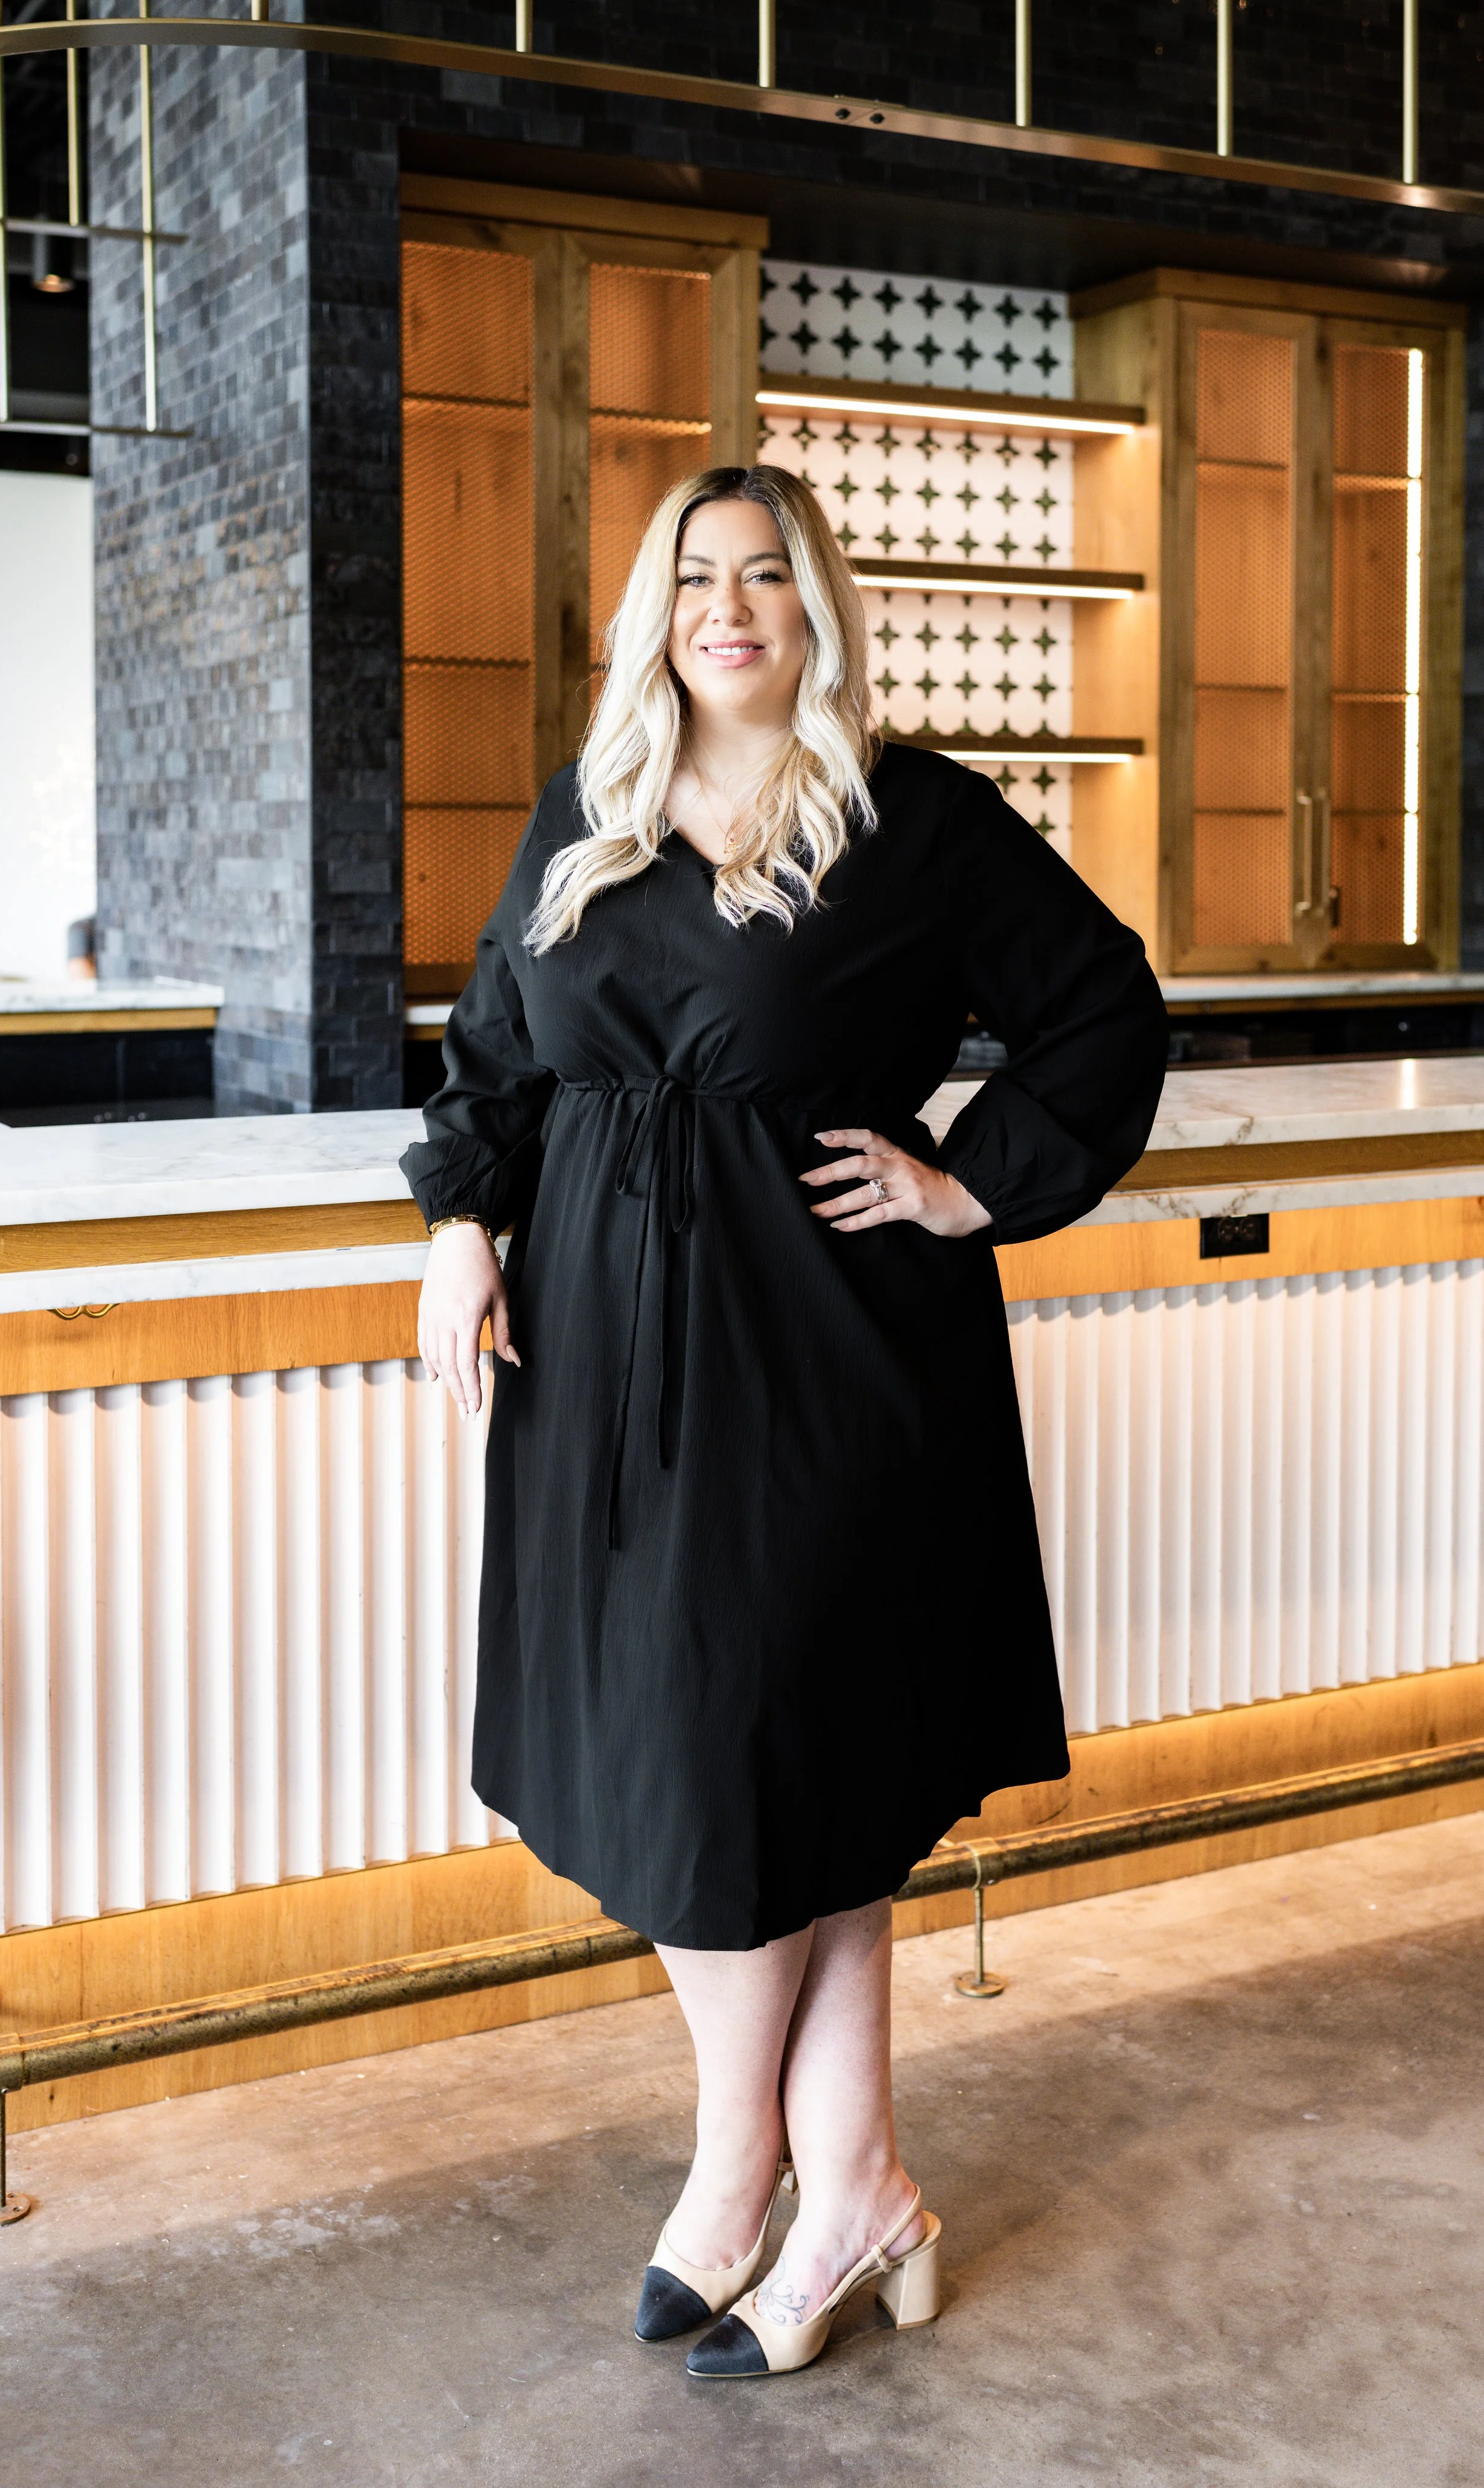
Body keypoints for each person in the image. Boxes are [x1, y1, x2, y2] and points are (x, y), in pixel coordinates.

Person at [400, 465, 1168, 2380]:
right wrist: (455, 1227)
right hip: (597, 1360)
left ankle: (733, 2166)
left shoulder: (915, 822)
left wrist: (968, 1183)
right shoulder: (589, 815)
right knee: (759, 1772)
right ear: (649, 610)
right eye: (692, 577)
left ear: (816, 604)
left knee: (748, 1758)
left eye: (763, 576)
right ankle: (859, 2191)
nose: (726, 608)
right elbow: (494, 1044)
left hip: (826, 1351)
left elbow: (1102, 1008)